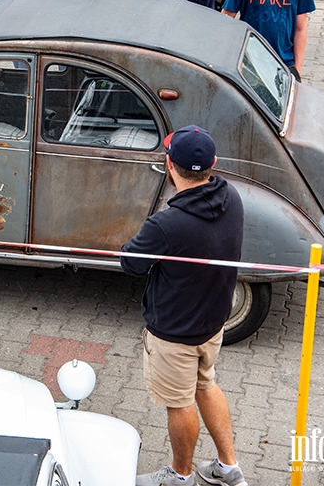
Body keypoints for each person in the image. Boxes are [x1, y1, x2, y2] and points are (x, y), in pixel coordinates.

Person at [121, 125, 247, 486]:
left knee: (179, 402)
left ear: (169, 164)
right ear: (214, 164)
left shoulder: (167, 224)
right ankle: (228, 466)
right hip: (213, 322)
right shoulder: (232, 197)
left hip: (175, 331)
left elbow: (130, 263)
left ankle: (180, 476)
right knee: (206, 384)